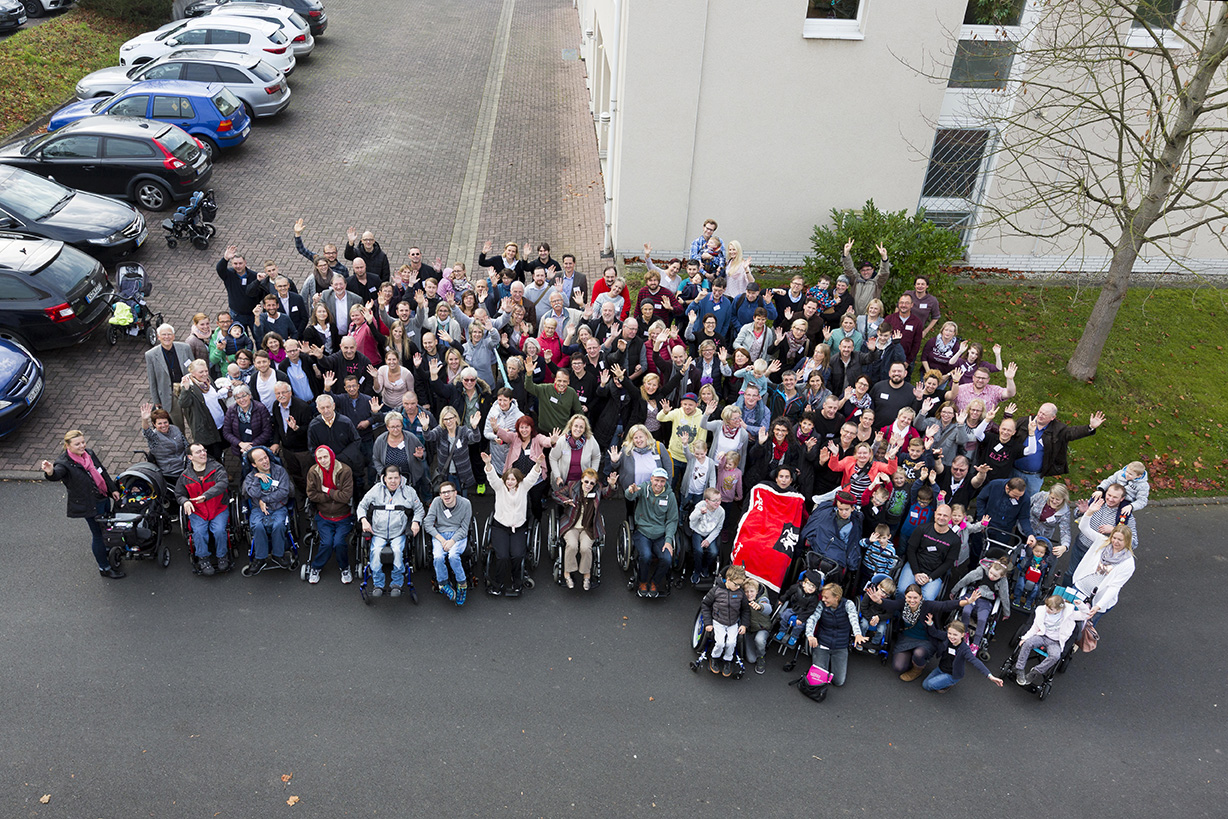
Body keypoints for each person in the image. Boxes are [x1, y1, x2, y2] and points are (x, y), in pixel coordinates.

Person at [41, 430, 124, 579]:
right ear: (67, 446)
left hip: (103, 496)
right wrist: (50, 472)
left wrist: (113, 490)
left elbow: (102, 471)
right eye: (77, 444)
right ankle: (104, 567)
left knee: (107, 527)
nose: (82, 446)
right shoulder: (64, 463)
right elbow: (57, 474)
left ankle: (106, 550)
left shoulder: (89, 453)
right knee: (98, 534)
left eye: (83, 442)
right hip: (90, 505)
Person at [870, 582, 973, 681]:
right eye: (909, 597)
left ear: (921, 597)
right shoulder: (903, 604)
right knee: (899, 667)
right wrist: (878, 601)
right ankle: (912, 658)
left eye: (915, 597)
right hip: (906, 638)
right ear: (905, 597)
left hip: (925, 639)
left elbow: (945, 605)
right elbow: (892, 604)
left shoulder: (927, 605)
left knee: (919, 654)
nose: (912, 600)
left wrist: (966, 602)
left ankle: (917, 669)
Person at [357, 465, 424, 597]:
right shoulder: (376, 490)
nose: (393, 481)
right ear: (384, 479)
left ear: (400, 478)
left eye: (396, 478)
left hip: (398, 532)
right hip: (378, 532)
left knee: (398, 553)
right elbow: (361, 506)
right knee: (375, 554)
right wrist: (363, 520)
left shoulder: (409, 491)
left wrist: (416, 521)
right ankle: (378, 584)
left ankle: (396, 583)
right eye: (390, 478)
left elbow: (419, 509)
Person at [482, 452, 544, 597]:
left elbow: (532, 476)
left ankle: (517, 583)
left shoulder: (523, 486)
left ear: (518, 480)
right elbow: (491, 477)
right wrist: (488, 464)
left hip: (519, 528)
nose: (510, 482)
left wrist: (538, 464)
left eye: (513, 479)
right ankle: (497, 585)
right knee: (502, 556)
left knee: (517, 555)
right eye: (508, 479)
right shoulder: (499, 487)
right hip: (500, 527)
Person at [1071, 501, 1135, 624]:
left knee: (1084, 629)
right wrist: (1089, 512)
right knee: (1066, 619)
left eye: (1120, 540)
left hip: (1098, 600)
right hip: (1080, 588)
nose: (1115, 542)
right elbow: (1083, 528)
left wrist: (1098, 606)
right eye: (1114, 538)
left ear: (1127, 541)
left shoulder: (1128, 563)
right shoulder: (1102, 541)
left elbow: (1114, 587)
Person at [174, 443, 231, 576]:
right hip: (198, 510)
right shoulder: (185, 476)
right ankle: (203, 558)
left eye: (203, 451)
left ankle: (222, 555)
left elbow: (222, 484)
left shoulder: (217, 468)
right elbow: (179, 494)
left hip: (218, 508)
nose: (203, 453)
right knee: (199, 532)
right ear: (190, 457)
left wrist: (206, 496)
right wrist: (185, 502)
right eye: (198, 452)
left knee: (219, 530)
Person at [555, 469, 617, 591]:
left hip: (588, 526)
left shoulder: (598, 489)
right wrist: (565, 500)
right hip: (571, 525)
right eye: (586, 481)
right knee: (572, 546)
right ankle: (567, 573)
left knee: (585, 548)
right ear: (582, 480)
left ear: (595, 484)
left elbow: (608, 493)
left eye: (591, 483)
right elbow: (556, 494)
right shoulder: (572, 486)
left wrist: (612, 485)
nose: (588, 485)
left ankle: (586, 575)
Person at [1013, 595, 1090, 686]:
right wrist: (1024, 638)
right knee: (1027, 643)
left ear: (1059, 610)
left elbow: (1086, 615)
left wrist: (1081, 605)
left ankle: (1035, 672)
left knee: (1055, 656)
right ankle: (1019, 669)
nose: (1047, 610)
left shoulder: (1069, 615)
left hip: (1056, 642)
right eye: (1047, 607)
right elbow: (1035, 627)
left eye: (1051, 609)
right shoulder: (1041, 611)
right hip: (1042, 636)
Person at [304, 445, 355, 586]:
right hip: (324, 515)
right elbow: (312, 494)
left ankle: (344, 568)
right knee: (326, 543)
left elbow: (346, 497)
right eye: (319, 458)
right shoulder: (313, 471)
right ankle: (316, 567)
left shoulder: (345, 471)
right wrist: (332, 495)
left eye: (325, 457)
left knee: (339, 542)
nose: (323, 460)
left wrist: (327, 491)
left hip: (343, 515)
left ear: (331, 456)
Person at [625, 467, 678, 598]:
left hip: (660, 534)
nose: (659, 484)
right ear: (651, 479)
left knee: (666, 558)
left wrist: (668, 540)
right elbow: (630, 495)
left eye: (662, 481)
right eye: (657, 480)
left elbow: (672, 520)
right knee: (646, 556)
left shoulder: (670, 496)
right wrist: (631, 491)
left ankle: (655, 582)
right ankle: (643, 581)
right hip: (643, 531)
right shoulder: (644, 488)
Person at [804, 583, 867, 688]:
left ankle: (829, 664)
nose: (823, 599)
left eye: (826, 597)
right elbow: (813, 619)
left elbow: (854, 619)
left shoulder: (848, 604)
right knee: (817, 680)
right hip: (823, 644)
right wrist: (810, 635)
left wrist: (858, 634)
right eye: (823, 596)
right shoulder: (821, 605)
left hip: (840, 647)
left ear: (836, 598)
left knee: (838, 681)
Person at [242, 446, 292, 573]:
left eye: (266, 457)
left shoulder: (280, 471)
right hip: (258, 509)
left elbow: (284, 491)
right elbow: (253, 493)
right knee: (257, 526)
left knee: (279, 525)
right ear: (254, 464)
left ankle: (278, 554)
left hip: (278, 506)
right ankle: (260, 558)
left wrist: (265, 499)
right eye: (260, 460)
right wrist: (257, 479)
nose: (265, 461)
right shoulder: (250, 477)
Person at [424, 480, 474, 604]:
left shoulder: (466, 503)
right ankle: (443, 584)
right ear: (440, 495)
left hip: (458, 534)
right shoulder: (436, 502)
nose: (446, 495)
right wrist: (441, 540)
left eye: (449, 492)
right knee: (438, 557)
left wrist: (452, 541)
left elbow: (464, 528)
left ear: (455, 493)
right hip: (440, 534)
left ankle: (462, 584)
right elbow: (428, 524)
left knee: (453, 556)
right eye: (443, 493)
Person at [921, 619, 1005, 693]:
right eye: (949, 633)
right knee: (924, 684)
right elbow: (935, 633)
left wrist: (990, 676)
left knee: (928, 685)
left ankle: (950, 682)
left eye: (955, 635)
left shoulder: (964, 649)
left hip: (952, 674)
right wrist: (930, 624)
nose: (951, 637)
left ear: (962, 635)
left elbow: (975, 661)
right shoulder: (946, 637)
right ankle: (942, 681)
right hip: (941, 668)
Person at [950, 558, 1012, 655]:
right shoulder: (981, 571)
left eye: (995, 576)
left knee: (983, 619)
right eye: (991, 573)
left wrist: (1006, 613)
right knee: (966, 611)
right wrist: (953, 591)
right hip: (973, 596)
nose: (991, 576)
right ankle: (965, 633)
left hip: (986, 601)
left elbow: (1005, 596)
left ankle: (976, 643)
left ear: (1002, 575)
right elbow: (965, 580)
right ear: (990, 567)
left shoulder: (1003, 581)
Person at [900, 504, 962, 600]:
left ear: (950, 518)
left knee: (928, 598)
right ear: (934, 514)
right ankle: (896, 613)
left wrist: (930, 578)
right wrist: (916, 572)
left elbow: (948, 563)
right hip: (915, 567)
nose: (941, 518)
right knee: (902, 590)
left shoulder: (955, 540)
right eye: (939, 514)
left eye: (945, 515)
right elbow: (911, 550)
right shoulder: (922, 529)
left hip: (934, 573)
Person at [800, 491, 864, 583]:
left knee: (833, 568)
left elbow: (851, 544)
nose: (843, 513)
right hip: (821, 544)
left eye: (847, 509)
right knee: (812, 559)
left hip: (837, 552)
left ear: (852, 508)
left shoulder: (853, 525)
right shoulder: (826, 515)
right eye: (840, 509)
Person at [701, 564, 750, 676]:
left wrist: (744, 625)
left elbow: (745, 610)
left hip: (733, 622)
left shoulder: (740, 593)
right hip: (718, 621)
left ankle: (728, 660)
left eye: (740, 585)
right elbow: (705, 605)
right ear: (728, 580)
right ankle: (714, 657)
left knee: (731, 642)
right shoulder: (716, 590)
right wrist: (708, 623)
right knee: (720, 643)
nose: (738, 587)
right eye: (736, 584)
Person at [145, 324, 194, 429]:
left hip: (186, 389)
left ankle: (198, 444)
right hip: (169, 394)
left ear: (173, 336)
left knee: (193, 420)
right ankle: (181, 443)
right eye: (163, 335)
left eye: (169, 334)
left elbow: (193, 369)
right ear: (158, 337)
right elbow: (152, 380)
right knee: (177, 424)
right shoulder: (151, 355)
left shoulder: (185, 348)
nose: (166, 337)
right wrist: (156, 400)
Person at [139, 403, 187, 490]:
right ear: (154, 424)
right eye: (159, 423)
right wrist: (144, 420)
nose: (163, 425)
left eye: (165, 422)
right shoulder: (154, 437)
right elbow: (147, 433)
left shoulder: (175, 429)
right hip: (172, 471)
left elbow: (186, 445)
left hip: (186, 465)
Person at [774, 571, 822, 647]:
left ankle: (794, 636)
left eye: (814, 586)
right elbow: (788, 593)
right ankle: (782, 630)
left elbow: (810, 610)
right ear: (804, 583)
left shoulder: (814, 598)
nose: (811, 588)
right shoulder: (796, 588)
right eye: (809, 585)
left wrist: (801, 618)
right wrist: (782, 599)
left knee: (800, 625)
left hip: (803, 612)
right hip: (793, 608)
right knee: (784, 615)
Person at [687, 487, 725, 585]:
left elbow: (718, 528)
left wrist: (708, 540)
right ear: (707, 501)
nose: (718, 502)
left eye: (719, 500)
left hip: (710, 533)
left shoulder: (721, 511)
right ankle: (697, 570)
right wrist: (700, 513)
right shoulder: (700, 505)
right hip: (698, 531)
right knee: (698, 551)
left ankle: (706, 567)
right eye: (714, 501)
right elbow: (691, 519)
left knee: (714, 552)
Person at [1028, 484, 1073, 557]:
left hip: (1042, 537)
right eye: (1052, 498)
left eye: (1058, 499)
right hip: (1026, 529)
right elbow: (1026, 506)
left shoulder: (1065, 512)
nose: (1054, 501)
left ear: (1063, 499)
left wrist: (1065, 546)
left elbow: (1065, 531)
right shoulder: (1040, 496)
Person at [1013, 539, 1056, 609]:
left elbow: (1051, 559)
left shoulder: (1044, 561)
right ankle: (1017, 598)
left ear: (1045, 553)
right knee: (1020, 585)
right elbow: (1027, 550)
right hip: (1024, 575)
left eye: (1042, 553)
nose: (1039, 554)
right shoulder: (1029, 556)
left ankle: (1029, 602)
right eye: (1036, 551)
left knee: (1035, 590)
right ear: (1032, 550)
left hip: (1036, 580)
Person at [857, 575, 896, 651]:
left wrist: (879, 618)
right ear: (878, 586)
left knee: (881, 630)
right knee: (864, 625)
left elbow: (889, 614)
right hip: (868, 614)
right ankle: (861, 639)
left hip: (881, 617)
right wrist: (870, 618)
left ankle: (874, 643)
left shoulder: (889, 601)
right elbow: (863, 607)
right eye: (883, 591)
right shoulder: (869, 593)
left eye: (887, 594)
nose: (884, 595)